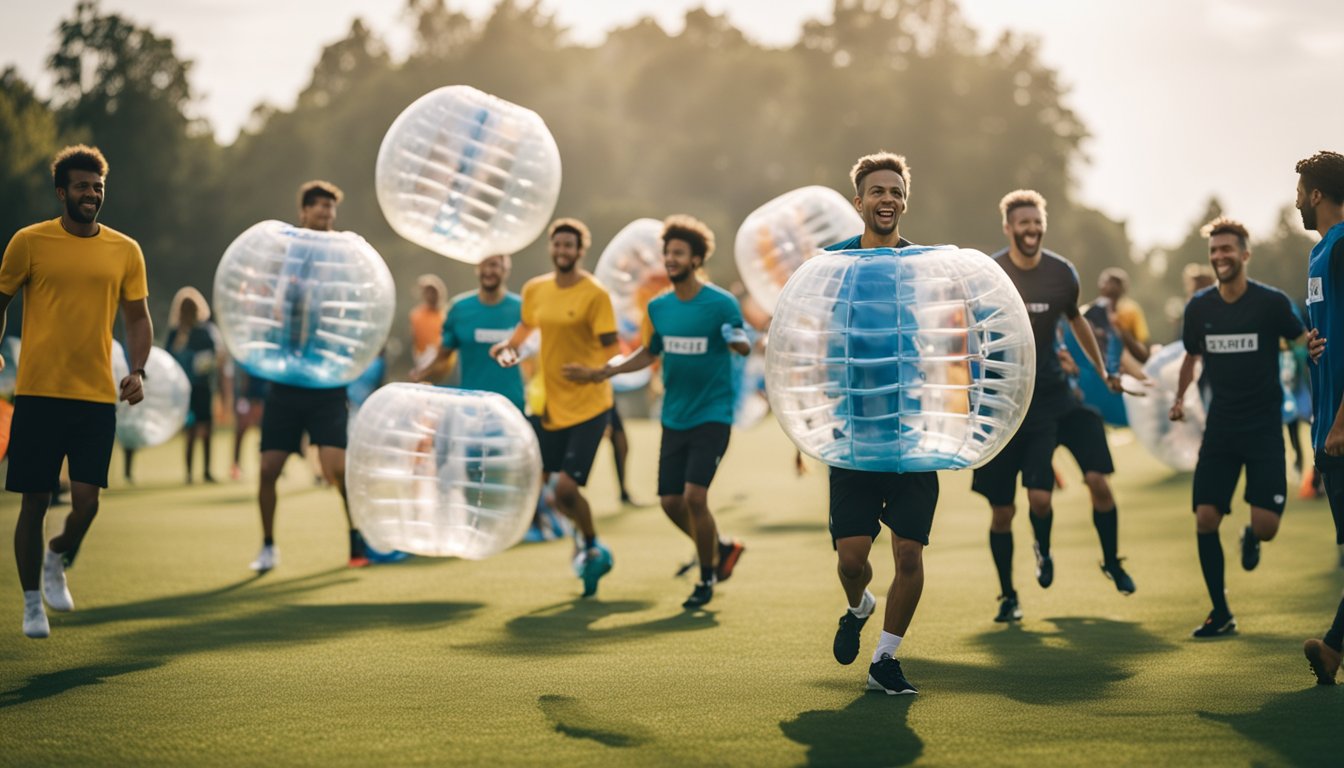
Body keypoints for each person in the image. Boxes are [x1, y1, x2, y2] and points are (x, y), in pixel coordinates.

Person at [0, 145, 151, 638]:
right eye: (83, 186)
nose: (93, 194)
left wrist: (139, 369)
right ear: (62, 191)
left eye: (98, 186)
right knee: (35, 502)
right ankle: (29, 604)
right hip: (39, 393)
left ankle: (56, 556)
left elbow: (136, 317)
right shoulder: (28, 242)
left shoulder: (125, 250)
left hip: (94, 396)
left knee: (87, 502)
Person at [564, 215, 749, 609]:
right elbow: (650, 352)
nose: (670, 259)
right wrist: (606, 370)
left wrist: (739, 341)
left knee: (695, 497)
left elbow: (740, 338)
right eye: (667, 253)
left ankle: (705, 577)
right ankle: (720, 548)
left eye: (678, 253)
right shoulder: (659, 308)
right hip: (673, 417)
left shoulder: (720, 304)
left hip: (713, 415)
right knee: (670, 502)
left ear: (696, 259)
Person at [971, 189, 1131, 625]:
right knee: (1002, 511)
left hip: (1049, 400)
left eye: (1036, 222)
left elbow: (1076, 322)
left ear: (1044, 224)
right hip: (1002, 407)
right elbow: (964, 331)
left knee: (1042, 497)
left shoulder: (1062, 274)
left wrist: (1102, 372)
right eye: (1022, 223)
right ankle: (1008, 595)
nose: (1031, 229)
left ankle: (1092, 556)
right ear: (1008, 228)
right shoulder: (989, 273)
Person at [816, 152, 936, 695]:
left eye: (895, 191)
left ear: (904, 200)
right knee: (851, 559)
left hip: (911, 434)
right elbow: (812, 343)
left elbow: (950, 337)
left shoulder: (927, 266)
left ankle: (885, 659)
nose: (887, 199)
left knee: (908, 553)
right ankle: (858, 605)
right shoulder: (831, 266)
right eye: (876, 191)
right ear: (858, 201)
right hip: (855, 435)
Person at [1170, 216, 1305, 638]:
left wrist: (1315, 351)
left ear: (1245, 254)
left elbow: (1301, 341)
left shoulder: (1271, 303)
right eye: (1214, 251)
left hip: (1265, 427)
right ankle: (1220, 612)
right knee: (1205, 517)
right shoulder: (1200, 308)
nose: (1220, 257)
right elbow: (1191, 356)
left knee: (1267, 527)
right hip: (1221, 428)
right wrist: (1178, 398)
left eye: (1227, 249)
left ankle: (1250, 533)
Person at [491, 219, 619, 597]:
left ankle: (593, 545)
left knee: (564, 490)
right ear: (552, 248)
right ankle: (581, 538)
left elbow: (615, 354)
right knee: (542, 486)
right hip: (547, 404)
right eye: (558, 245)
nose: (563, 251)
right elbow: (524, 330)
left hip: (590, 405)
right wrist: (506, 349)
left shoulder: (595, 294)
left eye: (570, 246)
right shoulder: (536, 289)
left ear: (581, 251)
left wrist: (595, 373)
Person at [248, 180, 368, 573]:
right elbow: (269, 301)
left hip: (328, 381)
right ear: (303, 212)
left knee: (336, 469)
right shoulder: (287, 251)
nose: (325, 213)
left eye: (330, 208)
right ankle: (268, 545)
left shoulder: (345, 256)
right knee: (268, 470)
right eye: (318, 207)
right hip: (285, 380)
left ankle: (356, 535)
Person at [1294, 150, 1344, 683]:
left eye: (1300, 192)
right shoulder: (1320, 254)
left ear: (1315, 195)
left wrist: (1342, 420)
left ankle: (1332, 647)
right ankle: (1333, 650)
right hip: (1328, 430)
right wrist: (1315, 344)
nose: (1296, 203)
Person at [413, 253, 525, 413]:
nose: (488, 271)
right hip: (471, 408)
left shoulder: (521, 308)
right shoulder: (459, 309)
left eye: (493, 265)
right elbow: (442, 359)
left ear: (506, 269)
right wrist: (420, 378)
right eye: (483, 265)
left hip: (512, 408)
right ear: (477, 268)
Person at [165, 286, 227, 484]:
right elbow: (169, 358)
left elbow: (214, 357)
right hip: (185, 391)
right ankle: (190, 473)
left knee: (206, 429)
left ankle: (205, 471)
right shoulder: (176, 333)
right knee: (191, 431)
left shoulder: (205, 332)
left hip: (202, 387)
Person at [230, 366, 268, 481]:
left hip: (262, 399)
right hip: (247, 400)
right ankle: (236, 465)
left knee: (265, 436)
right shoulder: (245, 363)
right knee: (240, 432)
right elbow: (241, 381)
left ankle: (265, 465)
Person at [410, 274, 449, 374]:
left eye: (433, 292)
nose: (431, 295)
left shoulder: (446, 315)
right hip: (422, 361)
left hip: (443, 365)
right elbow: (415, 340)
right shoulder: (416, 314)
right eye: (427, 292)